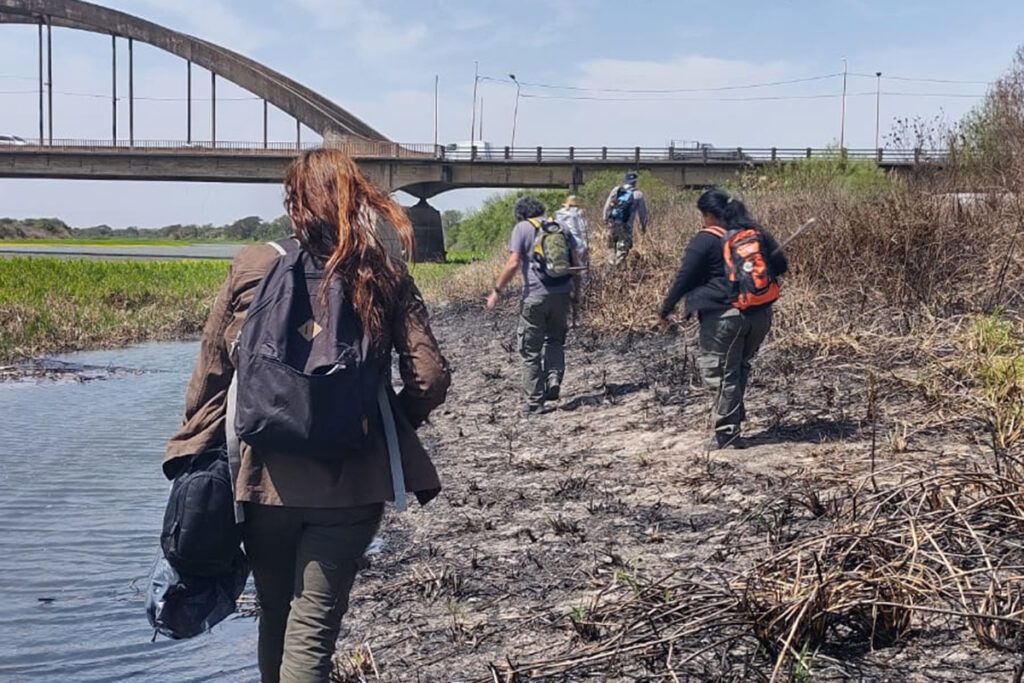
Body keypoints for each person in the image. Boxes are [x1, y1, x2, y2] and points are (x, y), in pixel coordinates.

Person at [164, 149, 451, 683]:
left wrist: (196, 452)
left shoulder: (253, 264)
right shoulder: (383, 271)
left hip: (261, 481)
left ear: (294, 202)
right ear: (356, 200)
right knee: (313, 631)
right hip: (351, 486)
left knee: (274, 611)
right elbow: (429, 378)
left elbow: (210, 376)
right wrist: (386, 421)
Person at [658, 188, 787, 449]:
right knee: (739, 368)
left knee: (721, 374)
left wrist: (667, 307)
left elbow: (685, 278)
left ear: (707, 214)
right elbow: (781, 266)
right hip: (760, 315)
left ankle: (727, 434)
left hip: (723, 319)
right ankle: (734, 417)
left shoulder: (705, 240)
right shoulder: (754, 233)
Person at [486, 195, 579, 415]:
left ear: (521, 213)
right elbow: (576, 263)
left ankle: (535, 402)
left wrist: (496, 291)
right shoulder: (562, 227)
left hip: (535, 296)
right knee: (555, 340)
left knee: (530, 350)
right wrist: (576, 294)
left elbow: (514, 263)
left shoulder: (522, 228)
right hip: (562, 293)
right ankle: (554, 377)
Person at [602, 171, 649, 265]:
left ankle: (610, 271)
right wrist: (643, 227)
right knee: (622, 250)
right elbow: (643, 214)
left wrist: (605, 219)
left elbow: (607, 206)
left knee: (611, 248)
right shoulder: (638, 194)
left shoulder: (616, 190)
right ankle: (618, 273)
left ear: (625, 180)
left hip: (612, 224)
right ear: (635, 182)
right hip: (626, 227)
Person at [555, 195, 590, 269]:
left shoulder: (559, 213)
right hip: (578, 242)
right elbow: (583, 228)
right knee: (581, 266)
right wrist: (588, 242)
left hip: (564, 242)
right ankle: (583, 279)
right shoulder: (579, 212)